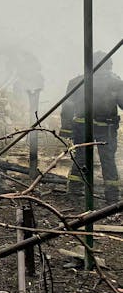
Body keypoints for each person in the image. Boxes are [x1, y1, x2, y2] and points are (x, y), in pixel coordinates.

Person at [59, 52, 123, 204]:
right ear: (108, 65)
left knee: (81, 157)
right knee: (107, 160)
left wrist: (66, 128)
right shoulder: (116, 83)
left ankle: (74, 191)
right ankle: (112, 197)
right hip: (105, 127)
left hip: (82, 126)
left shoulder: (76, 81)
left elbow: (67, 106)